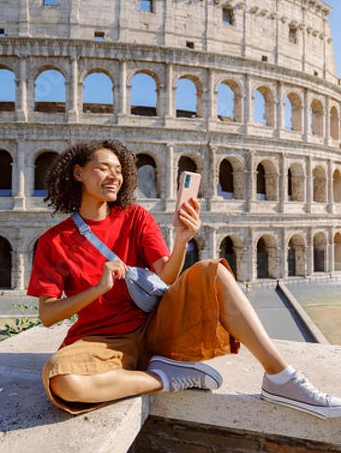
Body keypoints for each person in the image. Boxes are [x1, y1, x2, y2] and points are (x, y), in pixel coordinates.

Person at [27, 139, 341, 419]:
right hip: (101, 340)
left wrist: (181, 240)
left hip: (158, 325)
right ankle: (164, 378)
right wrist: (97, 289)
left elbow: (166, 274)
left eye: (119, 170)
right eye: (103, 168)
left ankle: (280, 378)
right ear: (78, 173)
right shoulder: (54, 241)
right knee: (62, 382)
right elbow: (48, 314)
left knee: (213, 270)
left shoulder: (136, 216)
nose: (114, 176)